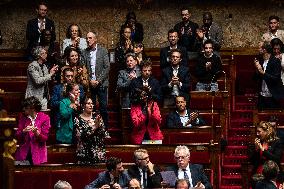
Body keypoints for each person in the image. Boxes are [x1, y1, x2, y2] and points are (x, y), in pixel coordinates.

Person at [81, 31, 110, 138]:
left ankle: (105, 130)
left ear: (95, 39)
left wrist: (98, 80)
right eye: (87, 38)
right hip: (90, 85)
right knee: (90, 108)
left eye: (90, 38)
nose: (88, 40)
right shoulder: (84, 52)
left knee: (103, 108)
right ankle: (92, 130)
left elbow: (107, 67)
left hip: (101, 84)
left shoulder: (103, 51)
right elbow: (83, 69)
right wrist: (90, 81)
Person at [129, 60, 163, 144]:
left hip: (152, 109)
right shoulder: (135, 82)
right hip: (139, 109)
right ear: (141, 71)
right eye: (145, 70)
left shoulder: (155, 82)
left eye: (149, 70)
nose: (147, 72)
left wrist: (150, 93)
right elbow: (132, 98)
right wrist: (141, 97)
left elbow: (160, 98)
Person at [15, 96, 51, 165]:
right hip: (24, 153)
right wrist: (23, 131)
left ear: (32, 108)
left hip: (38, 153)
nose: (23, 109)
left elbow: (45, 138)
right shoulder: (22, 117)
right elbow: (17, 135)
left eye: (26, 107)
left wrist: (37, 134)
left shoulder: (45, 118)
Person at [75, 97, 106, 164]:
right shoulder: (77, 119)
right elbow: (81, 136)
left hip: (97, 151)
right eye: (88, 103)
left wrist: (99, 127)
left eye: (92, 103)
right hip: (84, 152)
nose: (91, 105)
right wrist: (94, 127)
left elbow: (103, 133)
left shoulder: (97, 116)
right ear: (83, 105)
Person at [253, 42, 284, 110]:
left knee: (273, 119)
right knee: (260, 119)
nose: (258, 49)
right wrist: (256, 69)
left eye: (259, 48)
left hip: (273, 96)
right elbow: (255, 79)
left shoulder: (275, 61)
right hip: (262, 96)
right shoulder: (260, 61)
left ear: (265, 50)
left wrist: (262, 72)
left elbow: (276, 79)